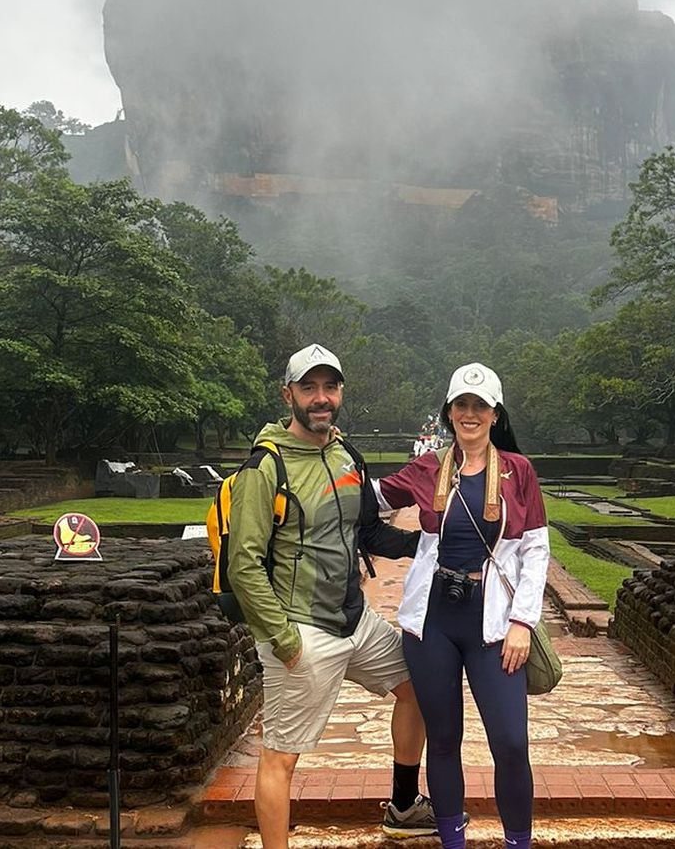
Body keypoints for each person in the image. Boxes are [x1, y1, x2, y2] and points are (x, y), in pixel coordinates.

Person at [224, 343, 437, 847]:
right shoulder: (265, 468)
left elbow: (368, 533)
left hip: (355, 620)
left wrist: (431, 541)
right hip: (300, 627)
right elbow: (243, 564)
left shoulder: (345, 455)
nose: (321, 398)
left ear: (340, 393)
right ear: (288, 394)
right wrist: (283, 640)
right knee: (281, 756)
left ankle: (404, 806)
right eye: (309, 388)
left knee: (420, 688)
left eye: (330, 387)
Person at [371, 363, 550, 849]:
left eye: (480, 406)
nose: (470, 414)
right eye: (461, 405)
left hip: (493, 624)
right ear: (449, 412)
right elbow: (371, 499)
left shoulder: (518, 471)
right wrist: (320, 465)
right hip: (433, 623)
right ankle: (453, 841)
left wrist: (523, 623)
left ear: (495, 414)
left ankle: (518, 843)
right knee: (444, 740)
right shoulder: (429, 468)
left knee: (511, 743)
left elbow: (535, 548)